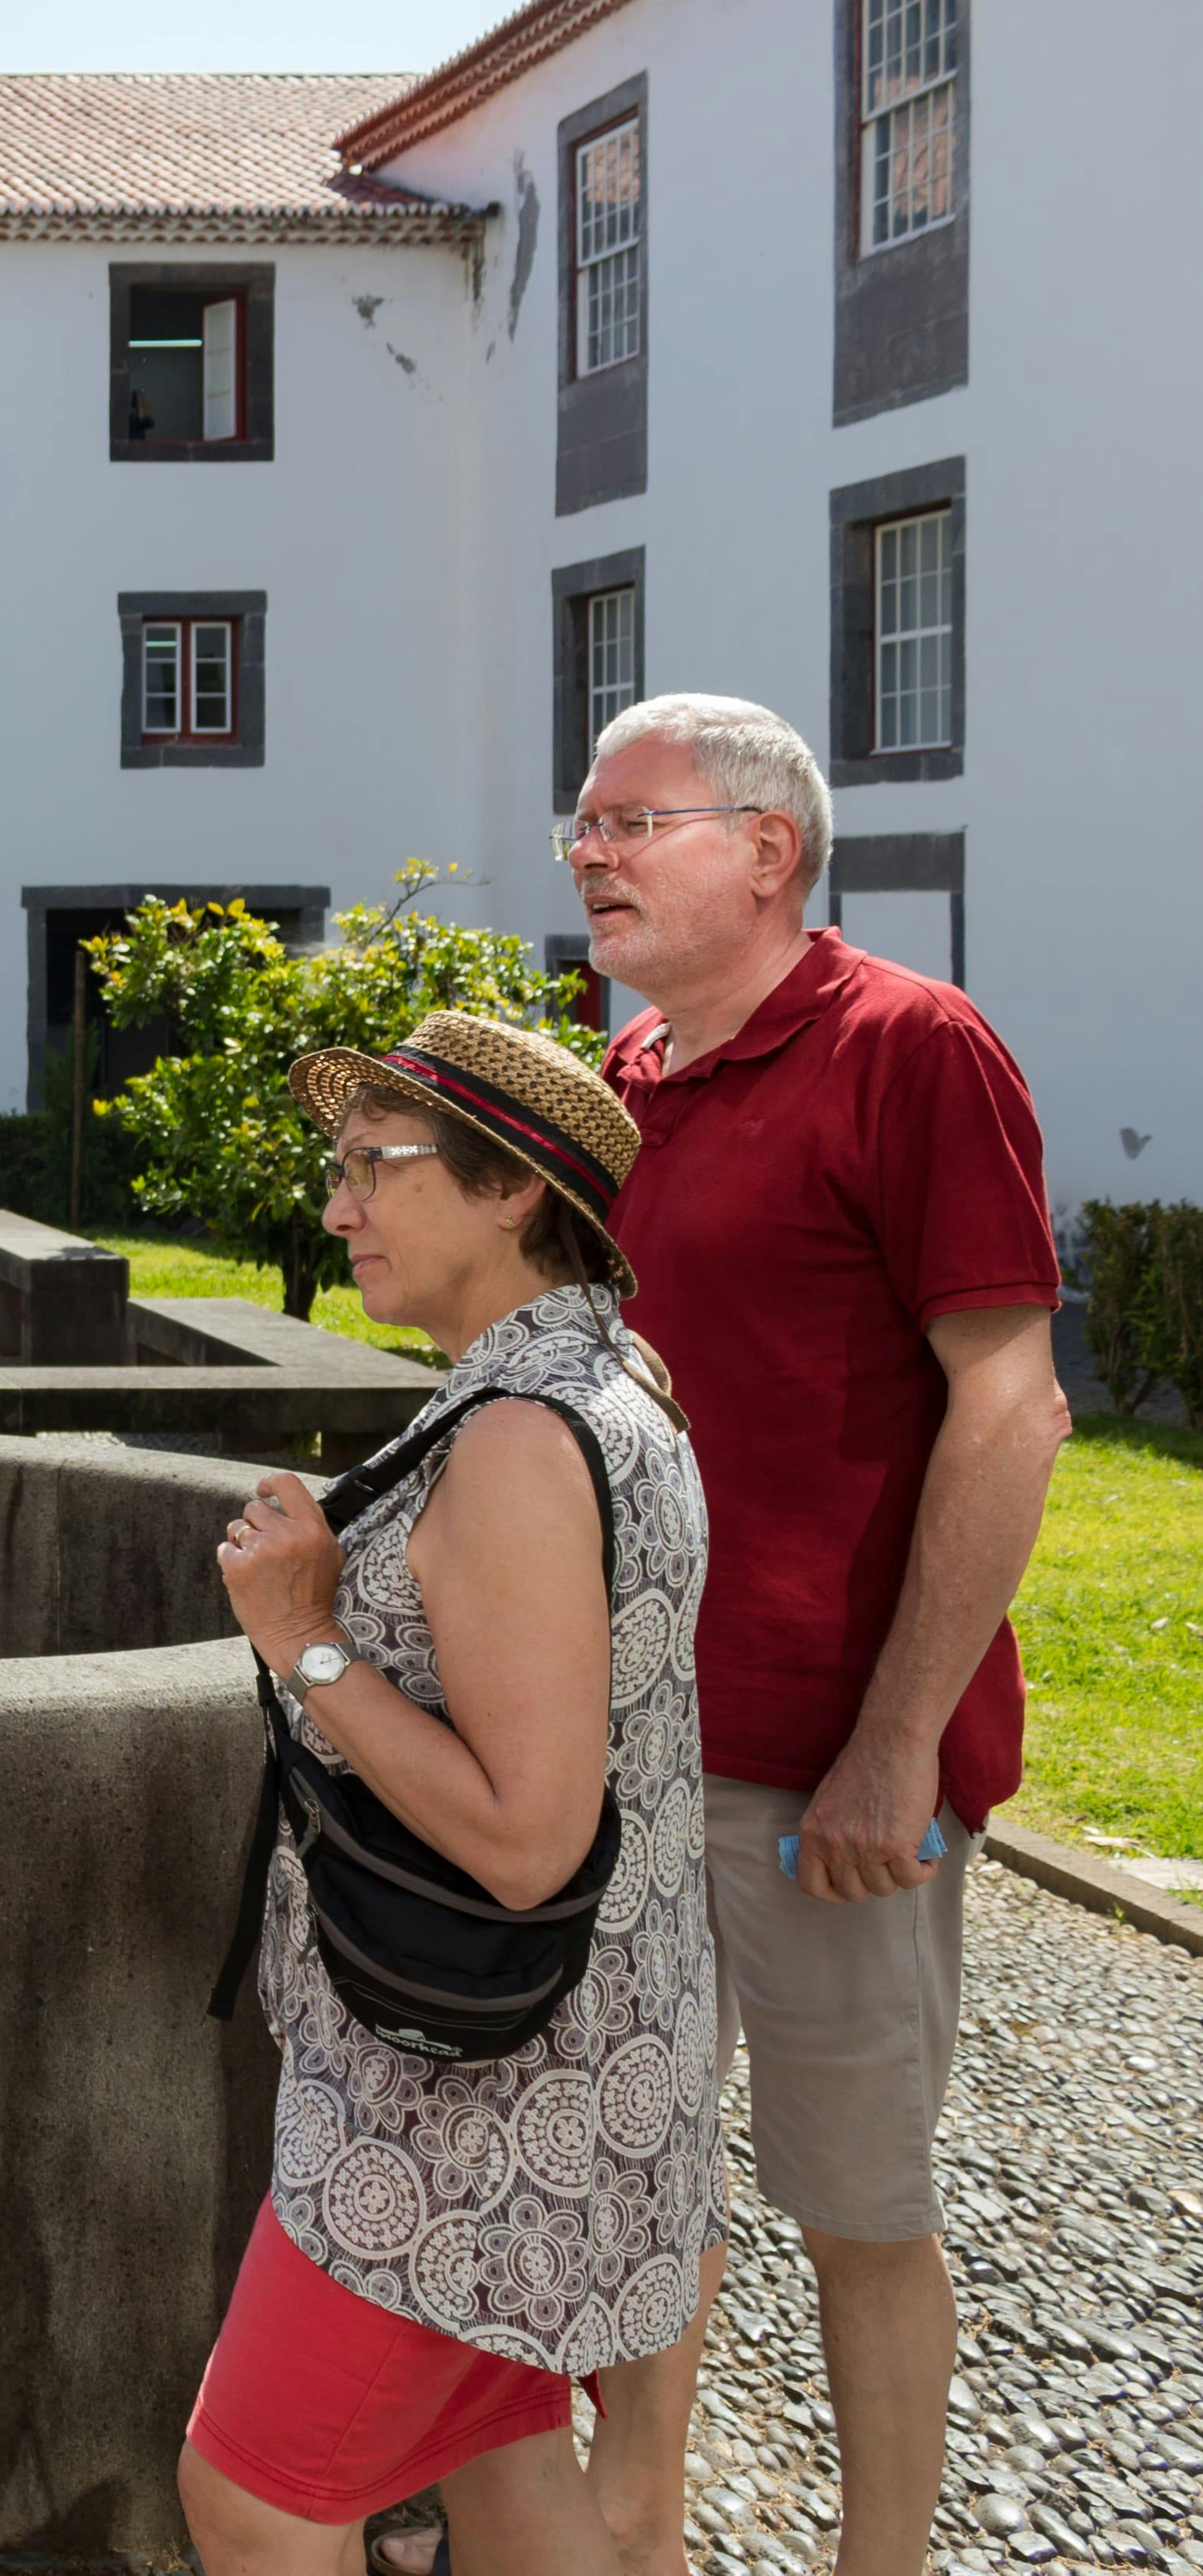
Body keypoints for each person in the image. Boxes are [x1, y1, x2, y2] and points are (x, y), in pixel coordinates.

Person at [570, 693, 1068, 2576]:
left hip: (822, 1772)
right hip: (619, 1754)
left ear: (766, 847)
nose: (592, 856)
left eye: (631, 823)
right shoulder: (621, 1077)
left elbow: (1009, 1404)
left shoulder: (910, 1049)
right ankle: (632, 2539)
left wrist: (894, 1743)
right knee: (640, 2183)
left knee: (857, 2206)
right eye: (582, 832)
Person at [186, 1010, 720, 2576]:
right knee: (498, 2464)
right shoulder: (612, 1381)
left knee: (254, 2495)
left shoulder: (515, 1439)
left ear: (509, 1194)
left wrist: (305, 1639)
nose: (338, 1204)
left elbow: (524, 1828)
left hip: (460, 2106)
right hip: (574, 2055)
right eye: (336, 1167)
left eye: (374, 1165)